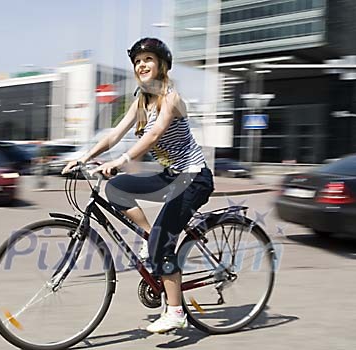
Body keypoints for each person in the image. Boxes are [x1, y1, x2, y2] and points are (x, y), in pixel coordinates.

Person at [62, 37, 214, 333]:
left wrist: (123, 159)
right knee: (116, 189)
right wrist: (84, 157)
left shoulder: (170, 97)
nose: (142, 65)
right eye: (137, 61)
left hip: (193, 177)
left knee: (163, 244)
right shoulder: (141, 100)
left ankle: (175, 311)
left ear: (162, 65)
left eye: (148, 60)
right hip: (172, 174)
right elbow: (112, 134)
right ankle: (149, 238)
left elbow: (155, 134)